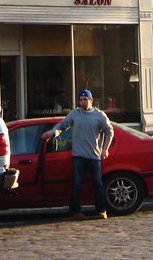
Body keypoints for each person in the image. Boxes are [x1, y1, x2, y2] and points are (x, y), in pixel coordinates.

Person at [41, 88, 114, 219]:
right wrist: (52, 133)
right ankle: (75, 211)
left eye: (85, 99)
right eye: (80, 99)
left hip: (94, 155)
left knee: (98, 183)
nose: (83, 102)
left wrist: (105, 149)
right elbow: (62, 125)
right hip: (78, 156)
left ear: (91, 100)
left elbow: (109, 131)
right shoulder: (75, 114)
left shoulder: (100, 115)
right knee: (77, 183)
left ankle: (101, 210)